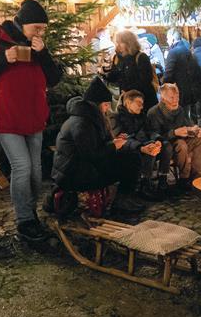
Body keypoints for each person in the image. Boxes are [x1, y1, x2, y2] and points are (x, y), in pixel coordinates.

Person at [0, 0, 64, 243]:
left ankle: (31, 213)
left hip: (34, 118)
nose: (41, 32)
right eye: (37, 27)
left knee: (36, 170)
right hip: (6, 118)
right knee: (22, 167)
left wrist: (43, 55)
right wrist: (3, 58)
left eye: (43, 28)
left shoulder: (37, 46)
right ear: (23, 23)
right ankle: (24, 220)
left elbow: (53, 79)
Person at [50, 76, 143, 215]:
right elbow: (91, 154)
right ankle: (121, 201)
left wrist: (115, 141)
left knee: (131, 156)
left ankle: (124, 197)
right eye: (105, 105)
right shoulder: (82, 123)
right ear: (96, 104)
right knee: (129, 161)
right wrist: (114, 146)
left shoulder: (89, 118)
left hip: (83, 166)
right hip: (74, 173)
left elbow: (97, 146)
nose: (107, 109)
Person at [146, 82, 201, 189]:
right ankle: (184, 178)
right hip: (165, 145)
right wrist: (174, 133)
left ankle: (195, 174)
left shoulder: (180, 110)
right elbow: (154, 136)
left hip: (181, 139)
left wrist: (195, 129)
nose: (175, 100)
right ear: (163, 99)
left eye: (177, 97)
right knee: (181, 144)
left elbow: (188, 124)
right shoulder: (154, 112)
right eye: (171, 97)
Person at [110, 89, 168, 200]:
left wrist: (157, 139)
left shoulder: (142, 116)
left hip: (144, 144)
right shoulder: (117, 118)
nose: (141, 107)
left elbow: (150, 131)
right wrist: (142, 147)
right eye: (138, 104)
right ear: (128, 102)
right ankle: (144, 185)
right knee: (150, 148)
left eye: (142, 104)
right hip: (129, 149)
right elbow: (122, 139)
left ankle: (162, 180)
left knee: (165, 145)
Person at [105, 29, 158, 109]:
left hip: (144, 102)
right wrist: (104, 73)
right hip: (127, 102)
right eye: (117, 42)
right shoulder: (118, 58)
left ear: (129, 43)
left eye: (121, 42)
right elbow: (115, 77)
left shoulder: (141, 57)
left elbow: (145, 80)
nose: (118, 45)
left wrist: (127, 89)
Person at [163, 28, 201, 115]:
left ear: (172, 38)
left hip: (177, 93)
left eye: (167, 38)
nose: (167, 41)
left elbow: (168, 75)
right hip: (188, 93)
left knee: (177, 120)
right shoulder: (187, 51)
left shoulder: (173, 52)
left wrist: (164, 88)